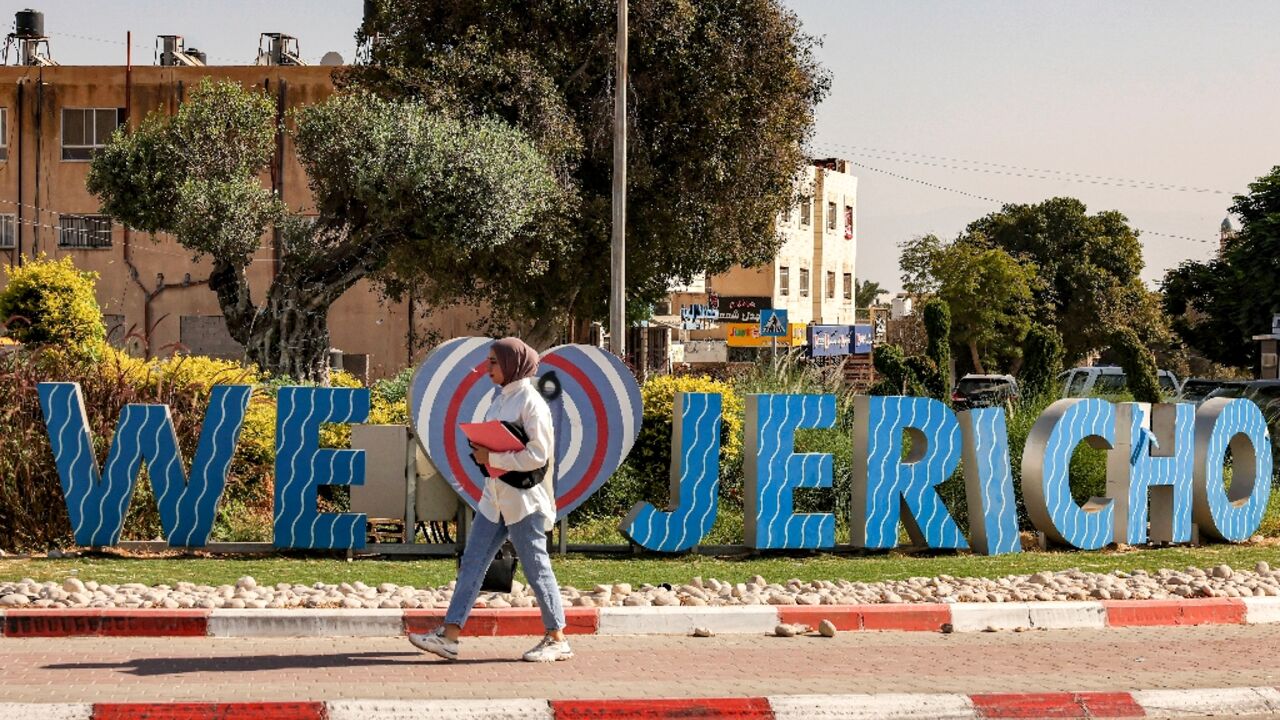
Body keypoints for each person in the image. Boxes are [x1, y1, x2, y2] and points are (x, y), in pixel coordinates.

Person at [408, 337, 572, 663]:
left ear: (513, 363)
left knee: (536, 567)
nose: (487, 368)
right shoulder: (500, 399)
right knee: (472, 562)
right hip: (495, 498)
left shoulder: (531, 400)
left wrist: (495, 459)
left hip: (524, 500)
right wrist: (482, 452)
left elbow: (539, 454)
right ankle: (450, 636)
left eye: (494, 362)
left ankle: (557, 638)